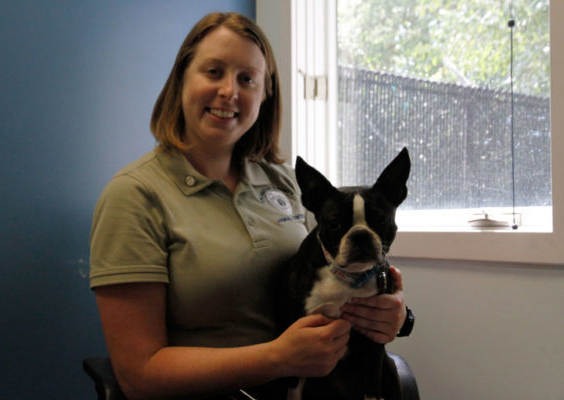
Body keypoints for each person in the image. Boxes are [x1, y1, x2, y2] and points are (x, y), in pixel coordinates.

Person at [90, 12, 409, 400]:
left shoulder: (284, 181)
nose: (230, 91)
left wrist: (393, 316)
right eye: (213, 71)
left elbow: (331, 277)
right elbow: (139, 376)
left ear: (265, 93)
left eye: (247, 79)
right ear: (181, 80)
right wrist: (277, 358)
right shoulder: (135, 196)